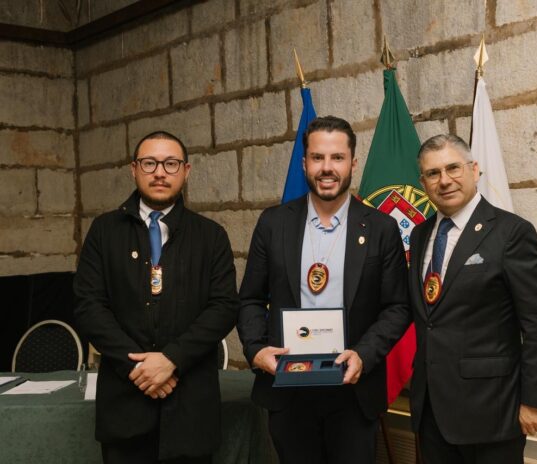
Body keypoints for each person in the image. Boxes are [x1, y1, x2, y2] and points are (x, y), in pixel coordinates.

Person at [238, 116, 410, 464]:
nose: (327, 168)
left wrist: (364, 354)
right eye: (318, 157)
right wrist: (255, 350)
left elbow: (398, 306)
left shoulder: (381, 228)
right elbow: (251, 299)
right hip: (288, 389)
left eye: (337, 158)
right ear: (304, 163)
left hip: (352, 389)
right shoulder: (273, 223)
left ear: (353, 164)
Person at [73, 131, 239, 464]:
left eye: (170, 164)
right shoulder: (104, 231)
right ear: (134, 169)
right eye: (149, 163)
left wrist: (171, 359)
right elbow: (88, 305)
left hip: (190, 409)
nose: (160, 172)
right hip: (125, 409)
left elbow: (223, 308)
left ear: (186, 171)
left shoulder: (211, 236)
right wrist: (139, 368)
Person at [408, 134, 537, 464]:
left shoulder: (511, 233)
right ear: (423, 183)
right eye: (433, 173)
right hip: (432, 410)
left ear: (474, 170)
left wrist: (535, 401)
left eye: (453, 168)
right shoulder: (420, 235)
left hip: (492, 411)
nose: (444, 180)